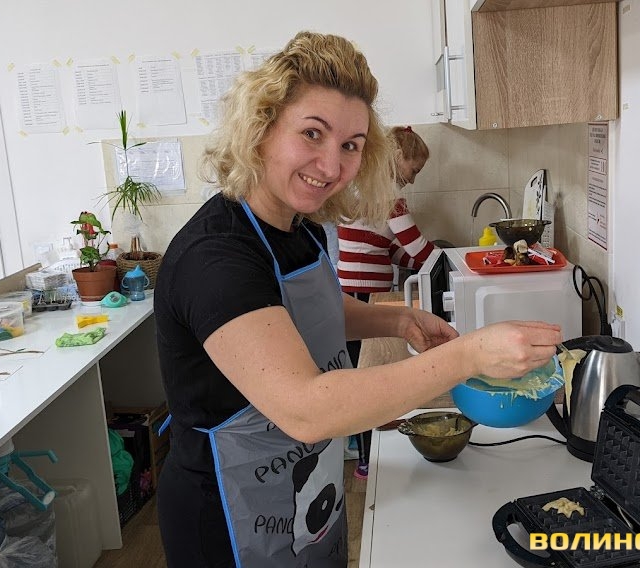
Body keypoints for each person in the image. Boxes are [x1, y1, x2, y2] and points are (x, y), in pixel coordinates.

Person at [154, 30, 562, 568]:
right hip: (229, 516)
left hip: (304, 486)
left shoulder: (297, 225)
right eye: (312, 133)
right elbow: (306, 409)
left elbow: (306, 313)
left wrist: (398, 322)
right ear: (262, 129)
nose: (331, 166)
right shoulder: (216, 259)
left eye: (350, 145)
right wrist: (467, 356)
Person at [335, 125, 435, 479]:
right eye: (414, 168)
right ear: (397, 157)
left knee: (358, 372)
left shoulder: (366, 190)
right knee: (366, 377)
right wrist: (452, 265)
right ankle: (364, 458)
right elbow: (420, 251)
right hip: (362, 294)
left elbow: (386, 250)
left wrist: (426, 262)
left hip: (353, 290)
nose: (414, 178)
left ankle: (357, 444)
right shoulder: (390, 199)